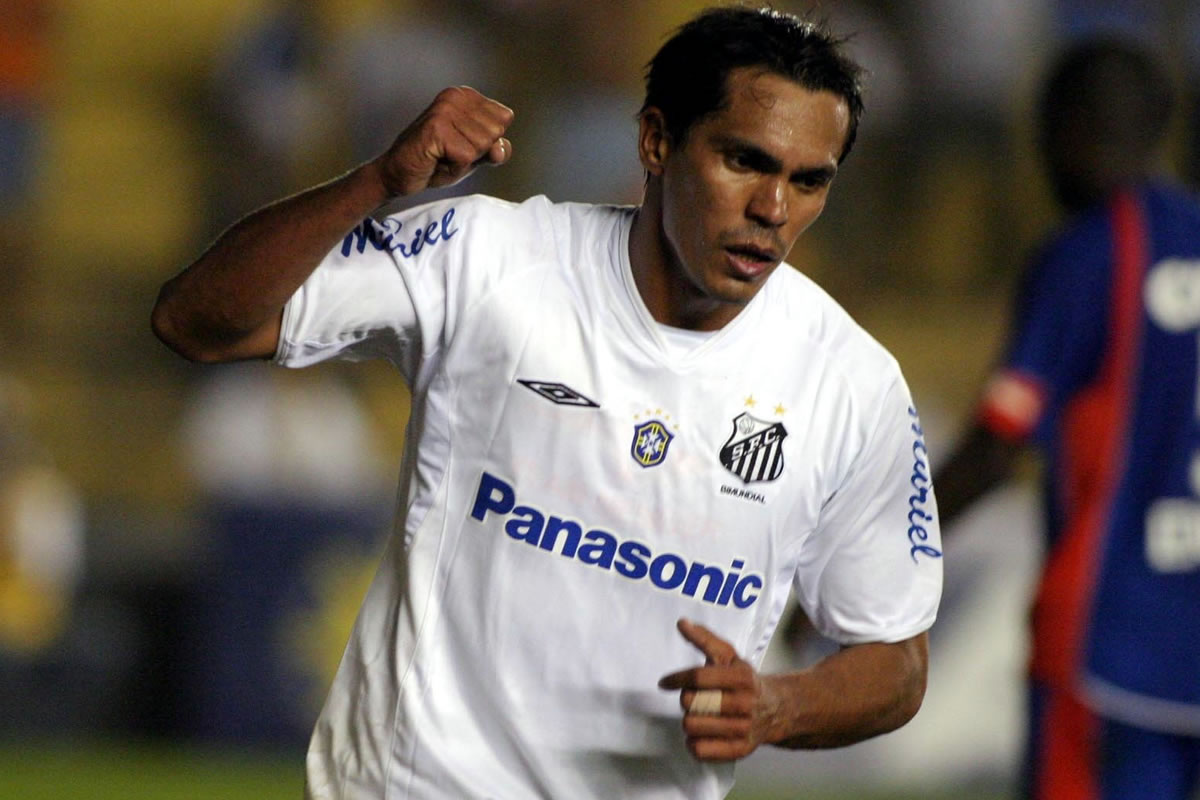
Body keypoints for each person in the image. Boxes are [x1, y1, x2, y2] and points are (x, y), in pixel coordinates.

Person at [152, 7, 943, 799]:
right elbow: (197, 321)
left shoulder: (852, 387)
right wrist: (377, 183)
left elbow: (897, 663)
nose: (773, 208)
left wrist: (778, 707)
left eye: (809, 181)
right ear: (657, 141)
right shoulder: (488, 261)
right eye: (745, 160)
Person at [932, 38, 1200, 800]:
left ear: (1070, 129)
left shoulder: (1088, 255)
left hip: (1106, 637)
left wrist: (874, 555)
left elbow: (997, 446)